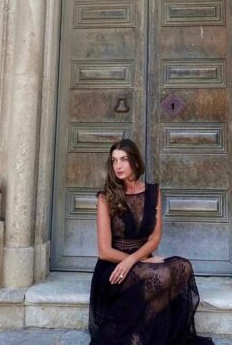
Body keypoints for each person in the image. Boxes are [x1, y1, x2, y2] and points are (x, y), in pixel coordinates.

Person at [89, 139, 214, 345]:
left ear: (136, 162)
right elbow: (104, 251)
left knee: (183, 267)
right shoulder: (106, 197)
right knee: (163, 275)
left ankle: (137, 332)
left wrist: (140, 260)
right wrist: (135, 262)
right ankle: (129, 332)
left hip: (143, 260)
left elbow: (154, 239)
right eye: (114, 161)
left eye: (124, 160)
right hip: (114, 268)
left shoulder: (153, 192)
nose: (118, 166)